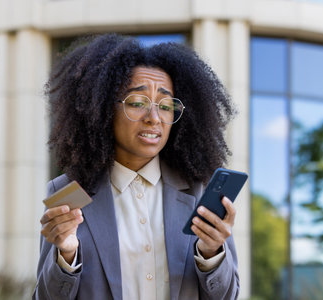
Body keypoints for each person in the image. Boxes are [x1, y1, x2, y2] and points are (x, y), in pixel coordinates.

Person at [33, 33, 239, 300]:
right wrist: (66, 254)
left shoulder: (200, 193)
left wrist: (212, 254)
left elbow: (229, 296)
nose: (154, 118)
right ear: (104, 109)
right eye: (137, 103)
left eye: (165, 106)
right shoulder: (68, 192)